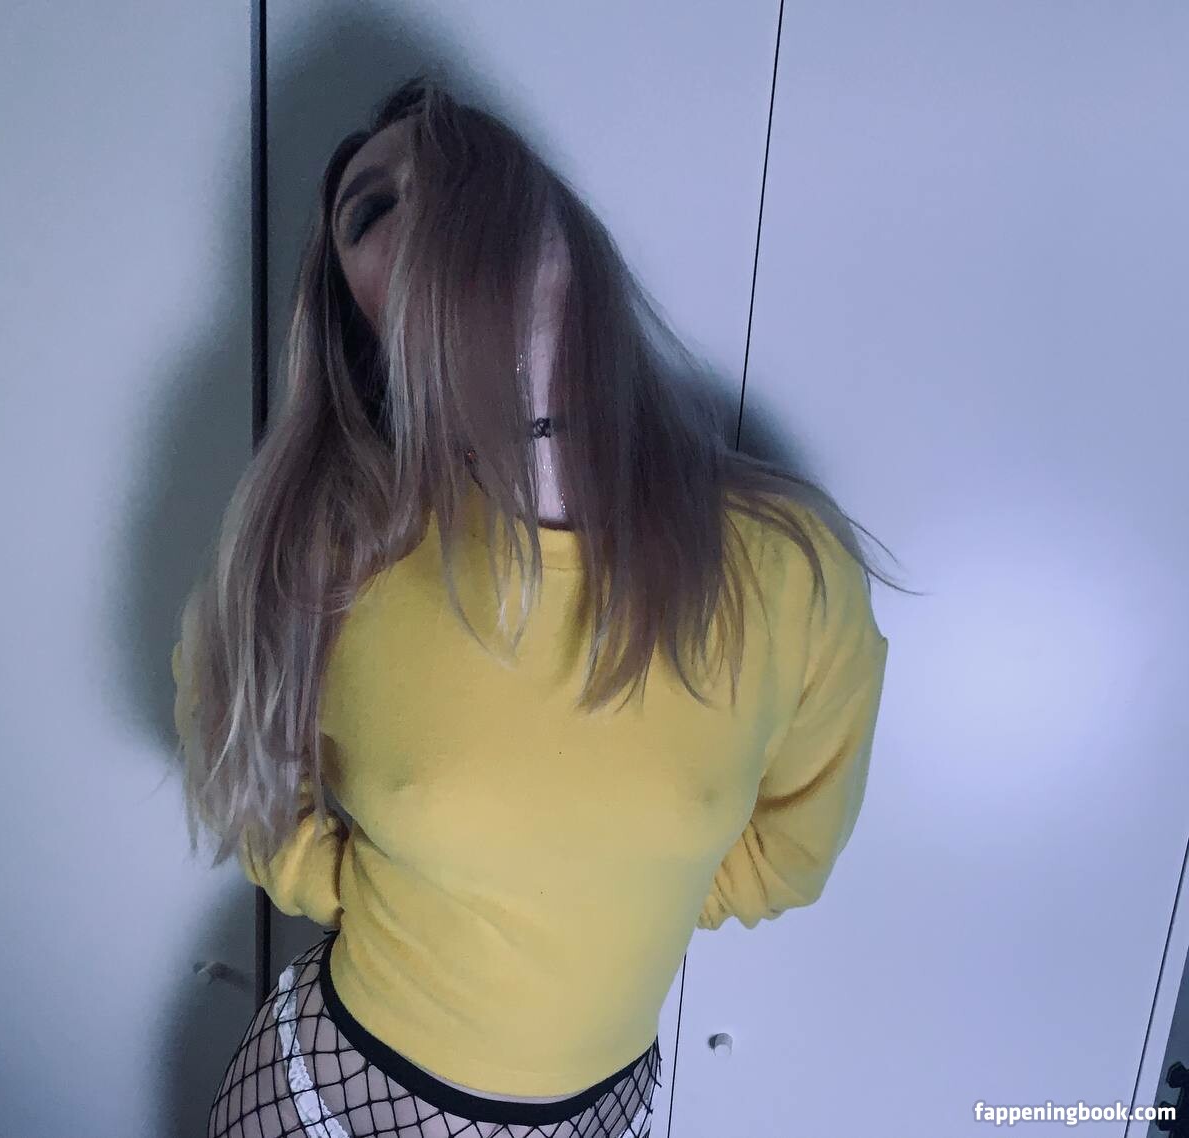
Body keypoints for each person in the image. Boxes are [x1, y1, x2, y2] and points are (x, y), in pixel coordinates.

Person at [171, 72, 903, 1138]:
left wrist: (631, 899)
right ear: (360, 316)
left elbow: (787, 852)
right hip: (323, 1098)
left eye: (467, 174)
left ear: (563, 229)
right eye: (370, 210)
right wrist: (349, 887)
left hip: (599, 1113)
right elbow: (226, 715)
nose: (428, 207)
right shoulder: (341, 550)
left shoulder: (786, 570)